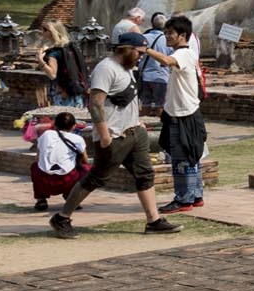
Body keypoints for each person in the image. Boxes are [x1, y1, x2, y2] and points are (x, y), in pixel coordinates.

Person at [49, 31, 181, 237]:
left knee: (145, 175)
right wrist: (104, 135)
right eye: (139, 53)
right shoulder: (106, 69)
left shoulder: (126, 68)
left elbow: (125, 99)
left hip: (134, 132)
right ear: (127, 50)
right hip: (113, 134)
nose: (141, 57)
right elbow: (95, 103)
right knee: (97, 178)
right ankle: (62, 217)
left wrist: (137, 122)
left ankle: (153, 220)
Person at [141, 15, 206, 214]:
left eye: (170, 34)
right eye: (166, 33)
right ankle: (195, 195)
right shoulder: (187, 54)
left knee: (181, 159)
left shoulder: (183, 54)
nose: (167, 37)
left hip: (183, 115)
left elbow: (167, 60)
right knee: (191, 157)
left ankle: (183, 199)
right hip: (185, 112)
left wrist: (146, 50)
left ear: (182, 35)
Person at [30, 110, 90, 212]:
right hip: (66, 180)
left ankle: (41, 199)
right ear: (74, 126)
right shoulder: (77, 139)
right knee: (87, 169)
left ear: (55, 125)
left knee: (34, 166)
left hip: (43, 181)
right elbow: (85, 160)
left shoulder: (46, 135)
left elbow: (38, 159)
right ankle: (72, 196)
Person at [38, 20, 87, 108]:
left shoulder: (54, 53)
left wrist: (40, 60)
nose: (42, 32)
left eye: (45, 29)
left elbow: (52, 75)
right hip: (76, 90)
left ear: (53, 32)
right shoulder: (70, 47)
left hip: (62, 94)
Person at [139, 13, 171, 113]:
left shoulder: (142, 37)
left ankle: (141, 125)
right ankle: (163, 126)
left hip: (144, 76)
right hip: (161, 77)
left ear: (152, 24)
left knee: (145, 106)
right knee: (160, 106)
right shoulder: (168, 39)